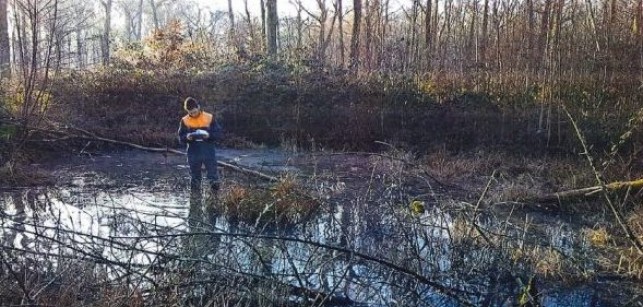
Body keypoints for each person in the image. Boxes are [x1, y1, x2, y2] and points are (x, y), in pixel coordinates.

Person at [178, 97, 222, 196]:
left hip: (208, 150)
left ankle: (215, 200)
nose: (193, 114)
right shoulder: (184, 120)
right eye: (190, 113)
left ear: (198, 107)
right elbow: (181, 137)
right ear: (187, 111)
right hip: (193, 151)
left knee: (213, 176)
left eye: (194, 112)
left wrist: (209, 135)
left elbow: (218, 133)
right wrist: (187, 137)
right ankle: (195, 203)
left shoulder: (209, 117)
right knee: (195, 177)